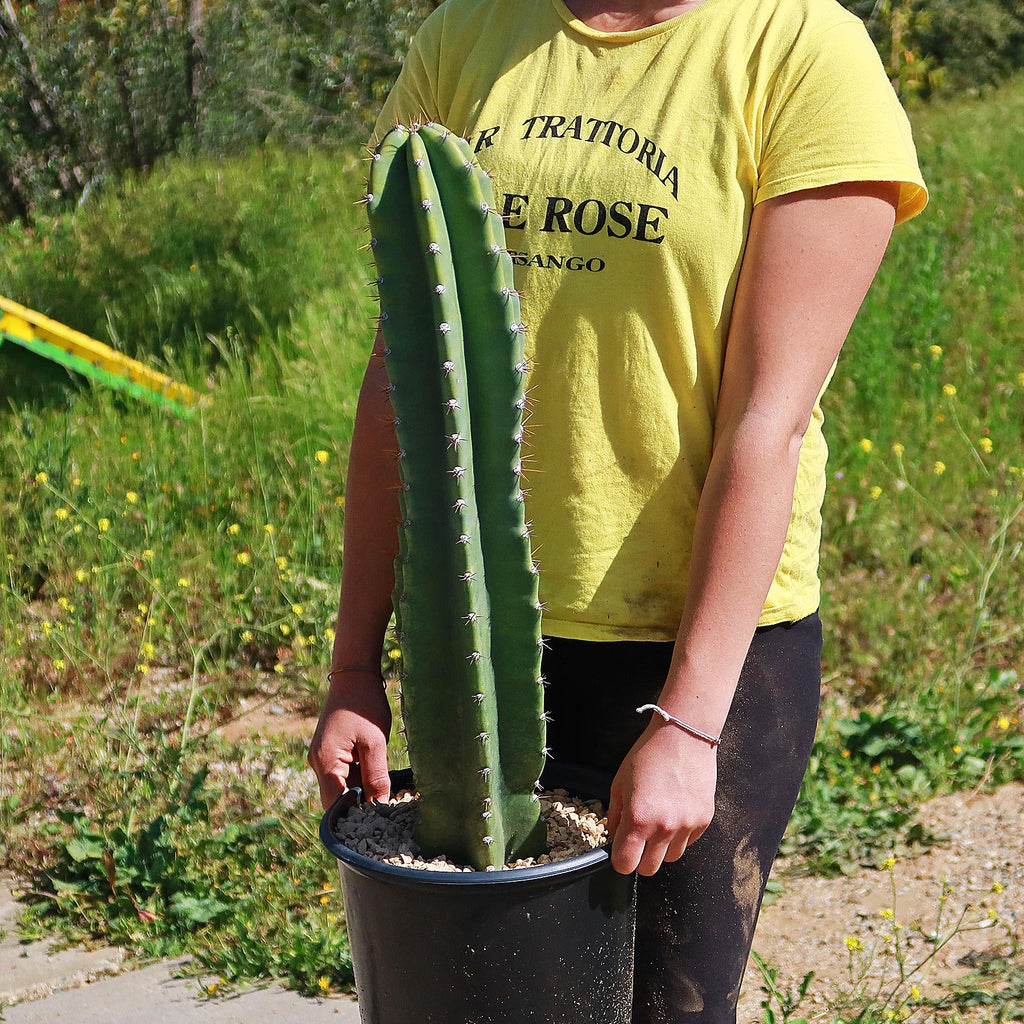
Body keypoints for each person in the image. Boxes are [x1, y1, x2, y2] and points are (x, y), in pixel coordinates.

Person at [308, 0, 927, 1019]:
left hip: (703, 648)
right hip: (482, 637)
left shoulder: (800, 50)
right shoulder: (468, 36)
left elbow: (767, 421)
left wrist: (687, 724)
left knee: (666, 1007)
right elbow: (406, 375)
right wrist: (352, 668)